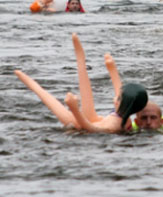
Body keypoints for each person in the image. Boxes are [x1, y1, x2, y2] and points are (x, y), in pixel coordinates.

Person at [14, 34, 148, 133]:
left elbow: (90, 128)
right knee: (86, 105)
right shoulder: (123, 115)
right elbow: (120, 91)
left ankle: (79, 60)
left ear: (126, 104)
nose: (115, 97)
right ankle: (80, 60)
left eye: (119, 98)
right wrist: (112, 69)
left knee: (54, 104)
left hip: (86, 128)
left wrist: (74, 109)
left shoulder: (114, 125)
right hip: (95, 120)